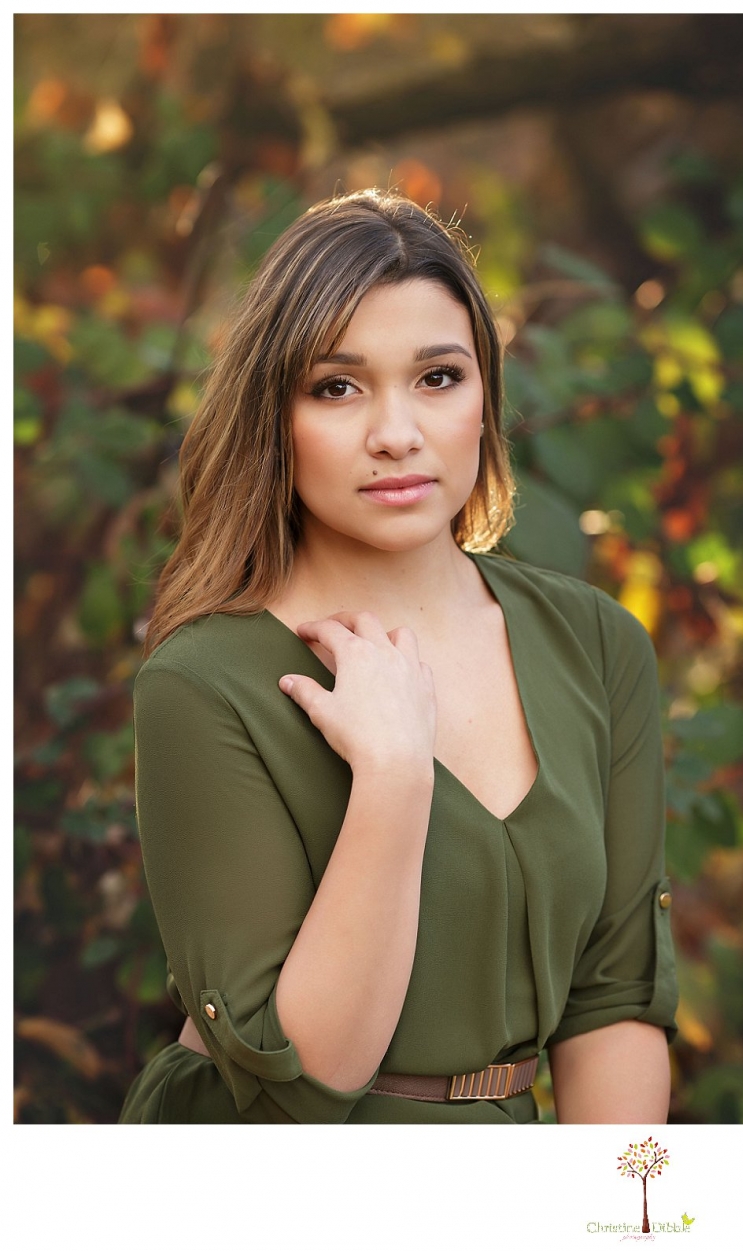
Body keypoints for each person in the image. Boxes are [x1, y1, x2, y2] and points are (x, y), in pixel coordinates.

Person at [119, 188, 677, 1125]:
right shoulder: (202, 684)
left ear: (484, 394)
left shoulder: (596, 644)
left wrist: (614, 1221)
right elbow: (305, 1075)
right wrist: (390, 782)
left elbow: (612, 1004)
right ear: (274, 415)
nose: (396, 433)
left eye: (438, 377)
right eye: (337, 387)